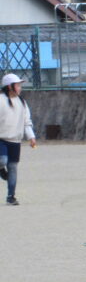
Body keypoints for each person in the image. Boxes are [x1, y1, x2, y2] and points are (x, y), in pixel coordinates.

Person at [0, 73, 37, 206]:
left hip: (15, 140)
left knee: (13, 168)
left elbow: (27, 122)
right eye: (18, 85)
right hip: (1, 139)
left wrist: (31, 137)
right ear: (9, 86)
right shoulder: (1, 100)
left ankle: (11, 196)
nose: (20, 88)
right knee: (2, 160)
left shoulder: (22, 102)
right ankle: (1, 170)